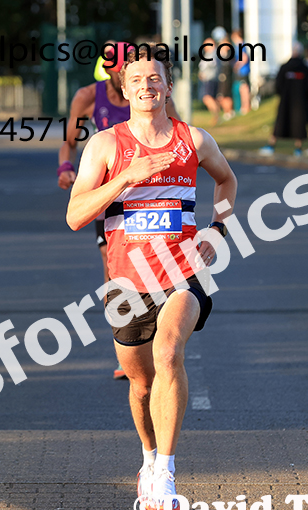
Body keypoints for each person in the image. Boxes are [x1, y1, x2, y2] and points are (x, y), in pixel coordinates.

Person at [65, 43, 238, 510]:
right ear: (123, 87)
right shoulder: (104, 145)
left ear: (167, 85)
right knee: (140, 384)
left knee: (169, 351)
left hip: (181, 271)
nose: (146, 85)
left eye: (155, 78)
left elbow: (227, 181)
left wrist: (218, 228)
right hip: (125, 281)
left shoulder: (194, 139)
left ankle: (165, 470)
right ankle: (147, 456)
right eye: (137, 79)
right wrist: (126, 178)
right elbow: (75, 216)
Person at [57, 42, 180, 380]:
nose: (119, 73)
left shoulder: (150, 90)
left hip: (151, 197)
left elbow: (176, 131)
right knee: (114, 270)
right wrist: (66, 166)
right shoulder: (87, 96)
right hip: (110, 193)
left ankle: (157, 340)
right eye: (115, 69)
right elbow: (70, 139)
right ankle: (128, 348)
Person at [259, 42, 308, 157]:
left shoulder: (285, 67)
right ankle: (298, 148)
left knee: (280, 123)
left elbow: (278, 85)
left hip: (286, 101)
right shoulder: (304, 68)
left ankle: (271, 145)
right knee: (299, 124)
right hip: (300, 101)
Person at [213, 26, 236, 120]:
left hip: (226, 74)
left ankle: (229, 112)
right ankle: (227, 112)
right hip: (222, 73)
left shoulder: (228, 52)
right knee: (221, 95)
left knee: (224, 94)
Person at [198, 37, 221, 125]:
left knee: (207, 98)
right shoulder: (209, 54)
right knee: (211, 98)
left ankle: (216, 116)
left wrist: (205, 74)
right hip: (208, 79)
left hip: (210, 79)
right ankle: (216, 116)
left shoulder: (213, 54)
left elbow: (211, 65)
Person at [232, 29, 252, 115]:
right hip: (243, 71)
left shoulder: (240, 45)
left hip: (243, 71)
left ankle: (246, 107)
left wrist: (237, 65)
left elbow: (244, 58)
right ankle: (244, 106)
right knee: (242, 89)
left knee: (244, 89)